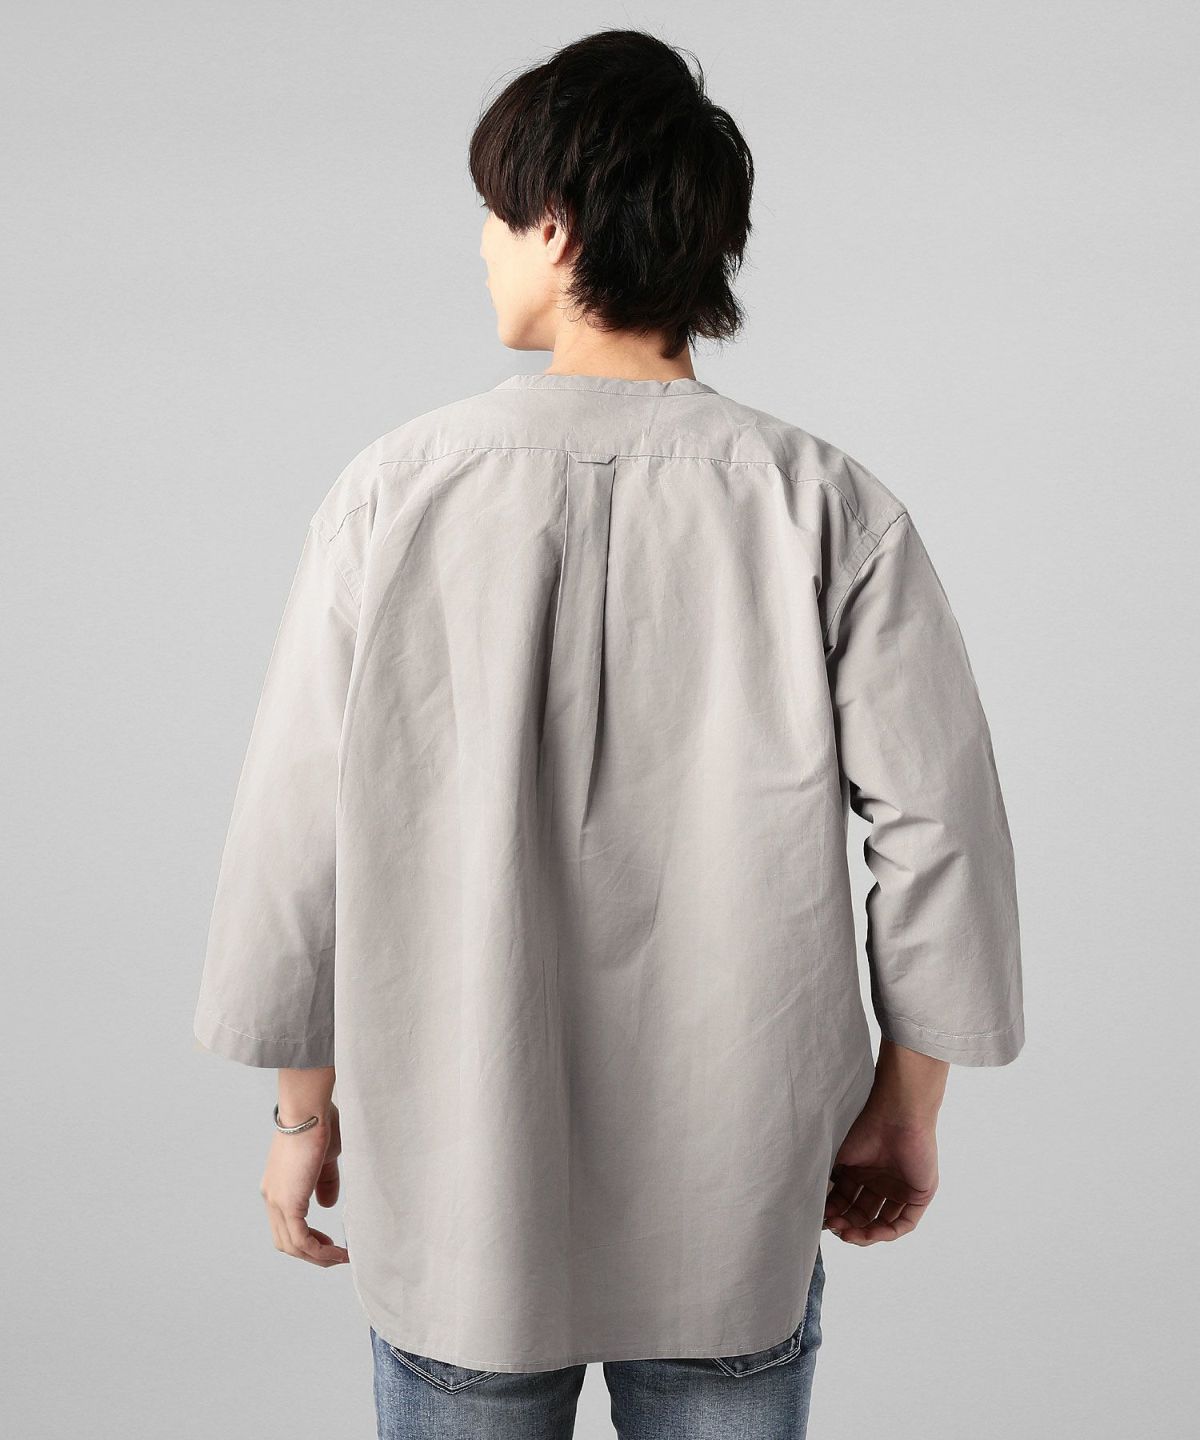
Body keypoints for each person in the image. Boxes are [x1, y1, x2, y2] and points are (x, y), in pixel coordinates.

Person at [193, 27, 1024, 1440]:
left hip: (461, 1201)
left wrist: (300, 1113)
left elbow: (298, 827)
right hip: (738, 1203)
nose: (481, 244)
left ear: (558, 226)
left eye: (495, 212)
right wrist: (908, 1098)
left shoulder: (394, 492)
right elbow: (940, 827)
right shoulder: (825, 505)